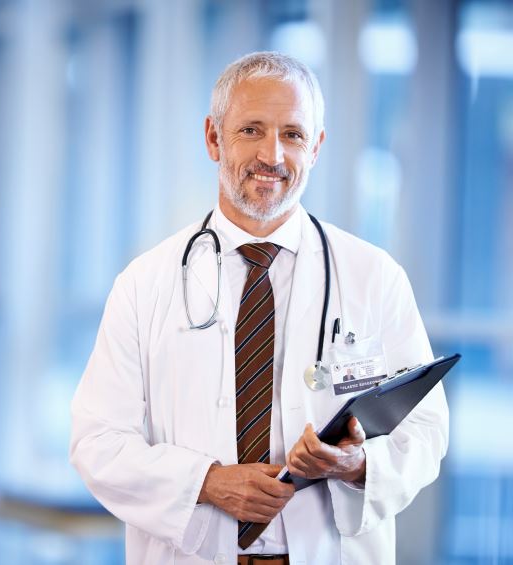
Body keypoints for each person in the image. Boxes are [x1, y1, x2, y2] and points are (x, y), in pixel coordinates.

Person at [69, 51, 448, 565]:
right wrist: (206, 483)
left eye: (292, 134)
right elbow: (98, 442)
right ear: (213, 138)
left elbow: (425, 432)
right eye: (251, 129)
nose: (273, 155)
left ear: (316, 147)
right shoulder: (144, 284)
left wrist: (358, 464)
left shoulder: (374, 277)